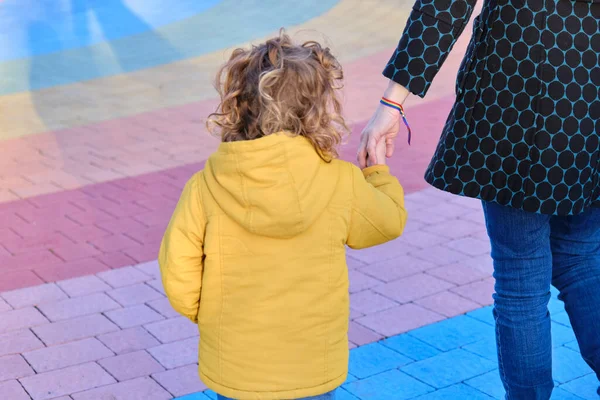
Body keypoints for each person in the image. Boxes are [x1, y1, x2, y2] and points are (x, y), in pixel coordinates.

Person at [359, 1, 600, 399]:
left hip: (516, 86)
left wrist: (392, 102)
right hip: (590, 88)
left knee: (521, 277)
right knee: (584, 257)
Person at [159, 32, 407, 400]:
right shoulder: (339, 180)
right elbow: (388, 222)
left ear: (239, 105)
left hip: (236, 367)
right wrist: (377, 174)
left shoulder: (205, 186)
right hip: (311, 367)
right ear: (318, 110)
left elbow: (178, 271)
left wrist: (212, 316)